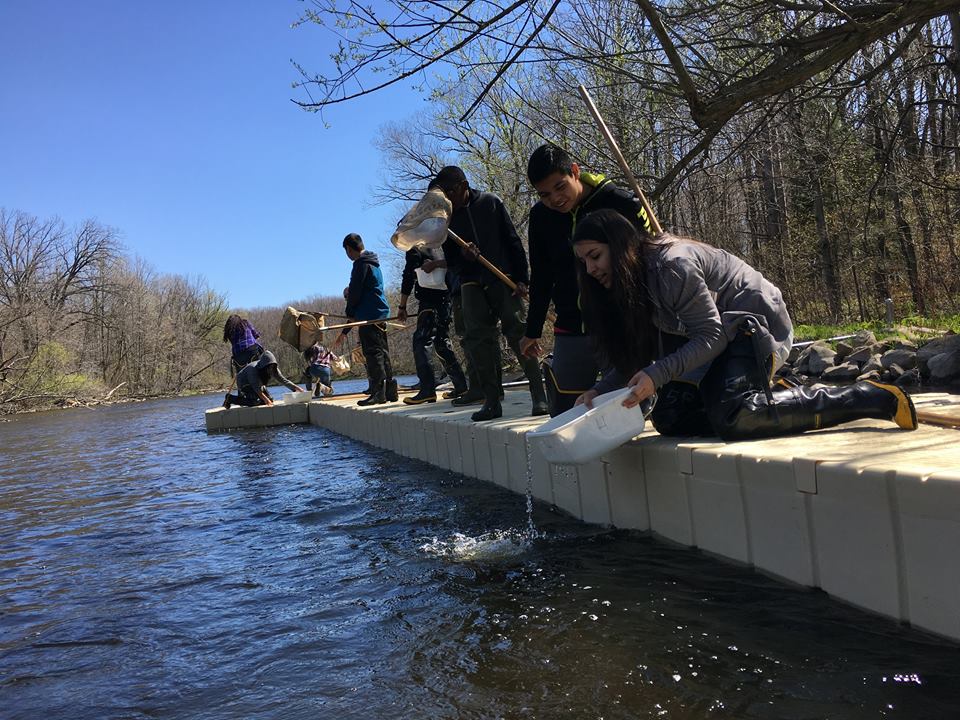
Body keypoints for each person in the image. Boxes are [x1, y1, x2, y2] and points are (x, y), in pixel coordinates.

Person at [571, 209, 917, 440]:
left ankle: (872, 397)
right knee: (671, 417)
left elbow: (712, 335)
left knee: (735, 416)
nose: (590, 270)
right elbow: (639, 358)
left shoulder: (672, 267)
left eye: (596, 256)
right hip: (715, 337)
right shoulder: (630, 286)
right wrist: (599, 393)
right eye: (583, 261)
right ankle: (774, 390)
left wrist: (658, 374)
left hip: (752, 324)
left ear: (621, 247)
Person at [521, 144, 654, 416]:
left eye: (560, 187)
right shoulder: (540, 216)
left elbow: (650, 261)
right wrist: (532, 329)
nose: (555, 199)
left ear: (575, 171)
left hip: (618, 320)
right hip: (571, 324)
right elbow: (542, 274)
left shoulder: (621, 201)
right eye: (544, 194)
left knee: (629, 407)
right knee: (565, 413)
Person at [433, 165, 548, 421]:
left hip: (502, 277)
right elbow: (451, 261)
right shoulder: (447, 220)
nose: (446, 199)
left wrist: (521, 279)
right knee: (478, 340)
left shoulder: (490, 203)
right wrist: (464, 256)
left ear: (463, 186)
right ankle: (492, 401)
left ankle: (539, 395)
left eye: (449, 192)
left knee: (519, 332)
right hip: (471, 282)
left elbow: (512, 240)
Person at [332, 233, 397, 406]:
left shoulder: (360, 264)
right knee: (383, 351)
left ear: (349, 249)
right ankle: (391, 390)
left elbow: (354, 294)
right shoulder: (374, 263)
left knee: (372, 353)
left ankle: (378, 393)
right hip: (381, 312)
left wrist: (349, 314)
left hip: (369, 315)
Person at [398, 242, 467, 404]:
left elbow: (408, 275)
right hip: (446, 299)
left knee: (421, 341)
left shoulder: (415, 249)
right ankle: (461, 385)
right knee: (442, 343)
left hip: (430, 301)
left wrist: (402, 306)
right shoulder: (440, 244)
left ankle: (427, 389)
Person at [223, 350, 304, 408]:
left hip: (258, 384)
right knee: (256, 402)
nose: (271, 369)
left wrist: (297, 389)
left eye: (272, 366)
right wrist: (266, 401)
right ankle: (230, 398)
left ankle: (260, 400)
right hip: (244, 383)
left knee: (270, 400)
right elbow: (256, 388)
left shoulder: (274, 369)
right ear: (264, 366)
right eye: (269, 367)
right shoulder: (253, 369)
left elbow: (283, 380)